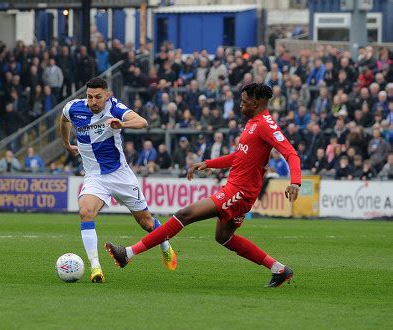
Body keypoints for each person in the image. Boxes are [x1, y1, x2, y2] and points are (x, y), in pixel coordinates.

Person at [106, 83, 301, 288]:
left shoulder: (265, 125)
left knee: (185, 214)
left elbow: (290, 153)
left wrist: (295, 182)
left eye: (244, 102)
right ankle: (279, 269)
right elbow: (238, 157)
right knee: (223, 237)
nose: (240, 105)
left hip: (239, 192)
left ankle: (128, 253)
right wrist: (208, 164)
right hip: (237, 190)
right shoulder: (253, 123)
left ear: (257, 102)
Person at [59, 77, 176, 283]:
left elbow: (142, 121)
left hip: (119, 175)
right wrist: (67, 144)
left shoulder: (115, 108)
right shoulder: (74, 108)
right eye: (89, 97)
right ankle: (96, 268)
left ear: (107, 96)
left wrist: (122, 123)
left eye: (98, 97)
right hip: (95, 176)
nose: (93, 101)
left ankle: (166, 247)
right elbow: (63, 119)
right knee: (86, 212)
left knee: (147, 223)